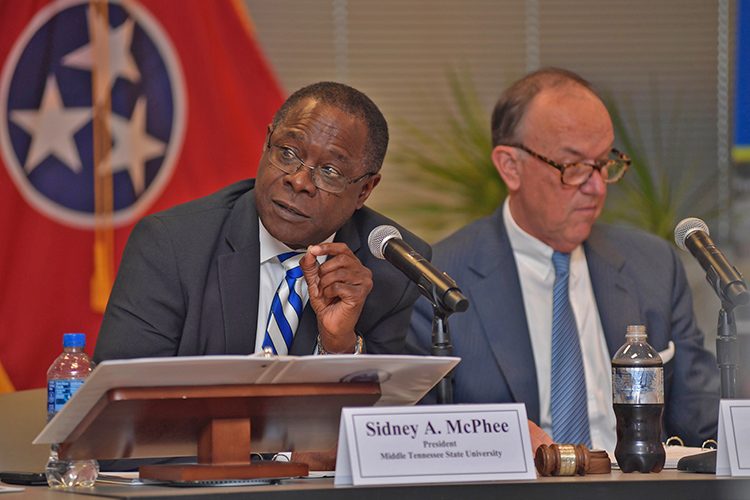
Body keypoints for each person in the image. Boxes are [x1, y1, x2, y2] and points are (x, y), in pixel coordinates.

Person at [408, 68, 720, 450]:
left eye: (604, 163)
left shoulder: (653, 266)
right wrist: (502, 438)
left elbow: (703, 421)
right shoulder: (437, 279)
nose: (596, 187)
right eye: (574, 167)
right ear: (510, 166)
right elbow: (418, 432)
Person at [95, 81, 430, 363]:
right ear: (267, 143)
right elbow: (122, 397)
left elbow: (386, 413)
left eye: (330, 171)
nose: (299, 181)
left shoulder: (390, 270)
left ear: (365, 190)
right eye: (288, 153)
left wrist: (339, 346)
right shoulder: (172, 245)